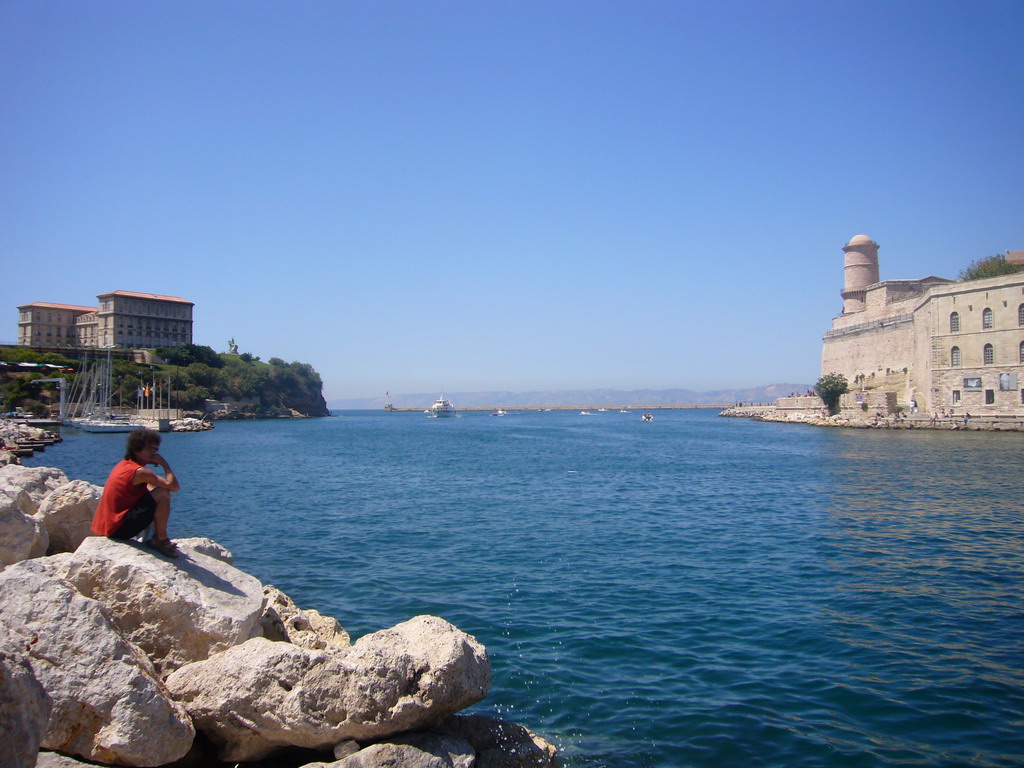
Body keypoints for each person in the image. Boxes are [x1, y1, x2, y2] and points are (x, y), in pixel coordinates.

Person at [91, 429, 181, 558]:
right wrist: (164, 464)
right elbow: (174, 487)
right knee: (163, 493)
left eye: (155, 450)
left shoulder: (124, 465)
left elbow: (149, 490)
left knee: (156, 494)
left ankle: (152, 537)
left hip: (109, 527)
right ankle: (160, 540)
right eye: (149, 448)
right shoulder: (140, 472)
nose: (153, 453)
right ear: (136, 448)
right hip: (118, 529)